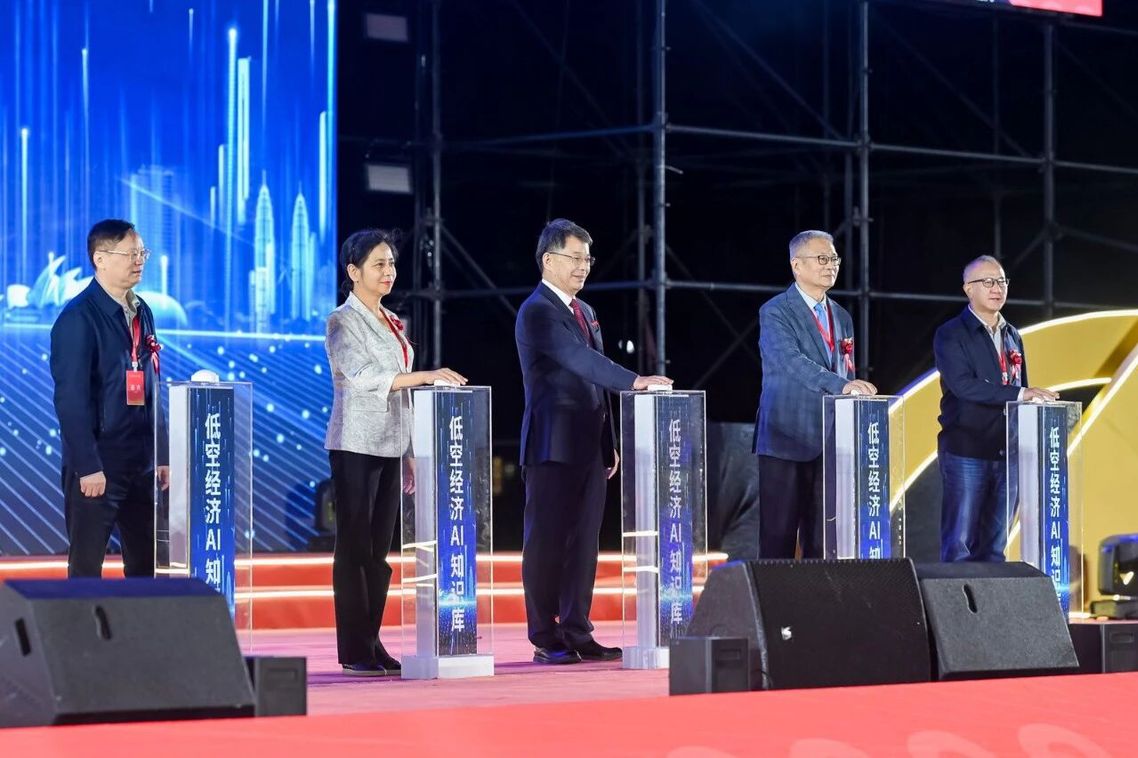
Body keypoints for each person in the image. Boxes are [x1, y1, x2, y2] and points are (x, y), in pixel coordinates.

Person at [515, 218, 673, 665]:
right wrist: (635, 381)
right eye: (575, 257)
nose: (583, 266)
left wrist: (609, 442)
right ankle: (546, 635)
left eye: (587, 258)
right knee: (547, 542)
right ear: (549, 260)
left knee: (584, 543)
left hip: (589, 446)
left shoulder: (584, 310)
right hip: (551, 445)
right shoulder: (537, 310)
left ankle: (578, 630)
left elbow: (594, 383)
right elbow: (578, 359)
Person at [324, 228, 467, 677]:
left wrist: (408, 451)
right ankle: (355, 649)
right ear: (354, 272)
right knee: (354, 548)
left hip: (390, 443)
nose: (389, 272)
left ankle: (372, 640)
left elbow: (397, 392)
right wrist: (426, 376)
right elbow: (365, 377)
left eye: (391, 264)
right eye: (379, 264)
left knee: (378, 552)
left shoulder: (390, 319)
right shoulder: (341, 321)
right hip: (354, 443)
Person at [50, 219, 168, 578]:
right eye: (131, 254)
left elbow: (151, 387)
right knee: (87, 568)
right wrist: (87, 465)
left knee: (147, 566)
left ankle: (143, 620)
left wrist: (162, 453)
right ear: (100, 259)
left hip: (142, 463)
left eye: (142, 253)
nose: (139, 261)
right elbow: (70, 399)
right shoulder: (78, 318)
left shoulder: (141, 310)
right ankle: (84, 620)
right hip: (99, 461)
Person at [752, 230, 876, 560]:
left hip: (831, 440)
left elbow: (846, 370)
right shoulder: (776, 311)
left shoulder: (842, 316)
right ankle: (773, 596)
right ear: (797, 265)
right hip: (786, 436)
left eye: (834, 259)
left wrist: (852, 396)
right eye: (822, 258)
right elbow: (791, 362)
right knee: (778, 537)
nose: (830, 265)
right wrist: (842, 385)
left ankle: (818, 595)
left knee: (823, 539)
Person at [933, 255, 1058, 562]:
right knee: (959, 544)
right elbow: (964, 386)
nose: (997, 288)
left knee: (994, 547)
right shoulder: (951, 333)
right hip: (966, 450)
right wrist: (1022, 392)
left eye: (1002, 281)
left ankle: (991, 595)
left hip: (1008, 452)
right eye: (987, 282)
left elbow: (1019, 387)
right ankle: (956, 595)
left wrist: (1029, 399)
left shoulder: (1012, 334)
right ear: (968, 289)